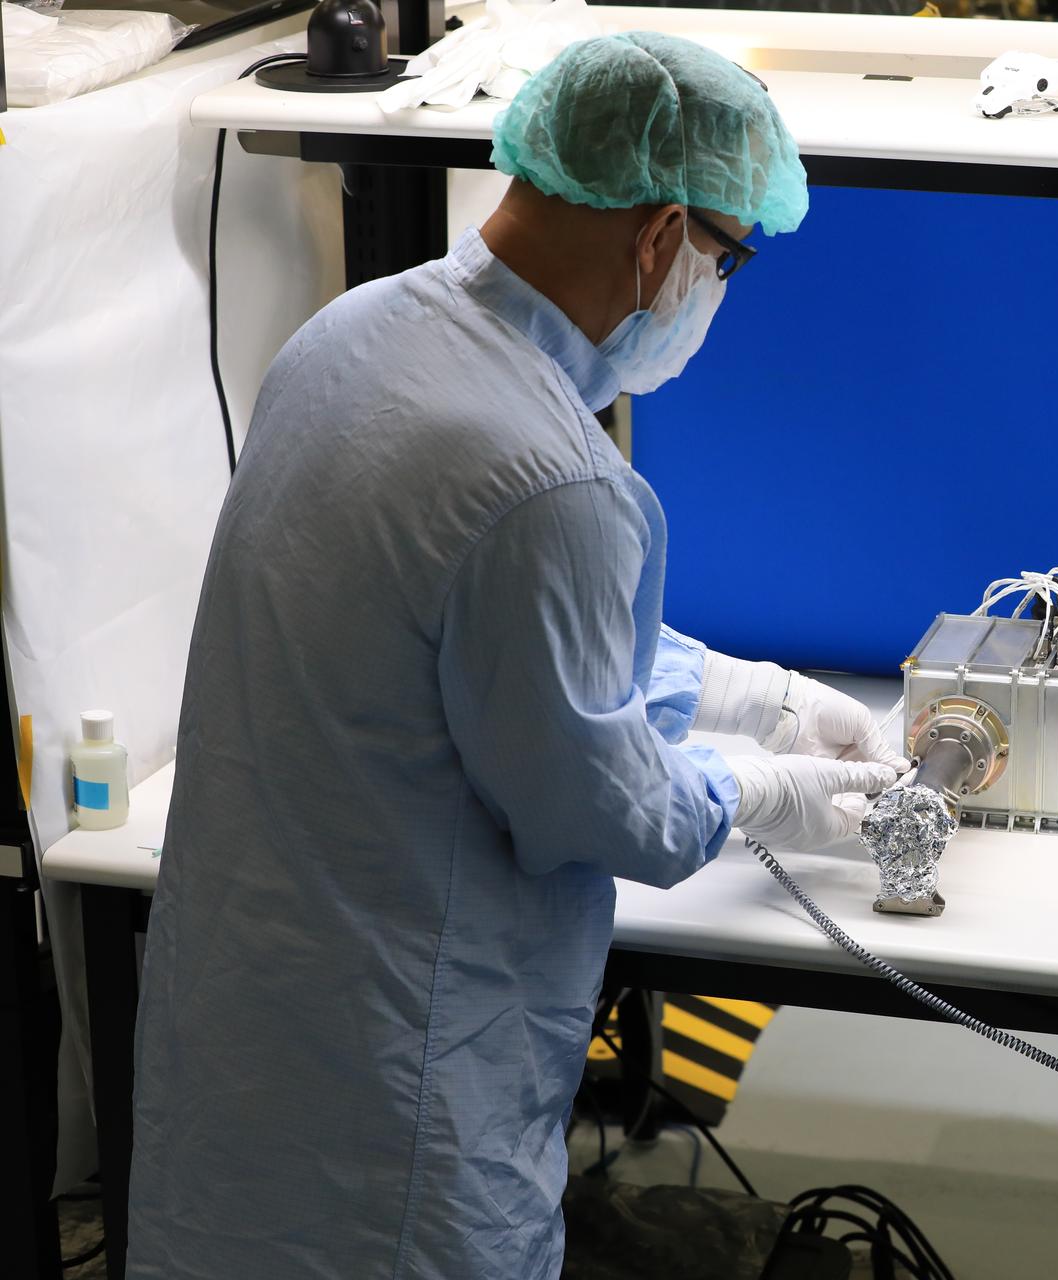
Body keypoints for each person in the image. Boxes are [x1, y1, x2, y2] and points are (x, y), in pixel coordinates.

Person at [125, 33, 901, 1279]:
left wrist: (753, 696)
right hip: (397, 1091)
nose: (717, 288)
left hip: (249, 1028)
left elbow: (476, 619)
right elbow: (606, 806)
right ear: (661, 237)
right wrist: (770, 789)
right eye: (727, 258)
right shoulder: (550, 476)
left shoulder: (349, 340)